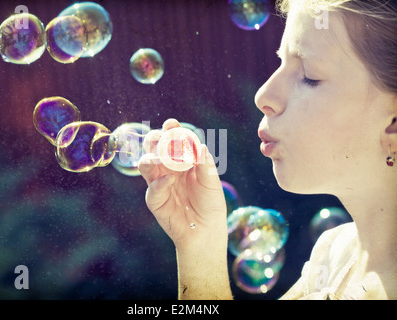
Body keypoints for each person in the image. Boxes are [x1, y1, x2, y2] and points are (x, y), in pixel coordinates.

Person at [138, 0, 397, 300]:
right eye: (280, 63)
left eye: (309, 76)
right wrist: (199, 244)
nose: (263, 95)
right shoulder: (333, 256)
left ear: (392, 122)